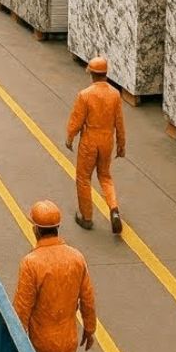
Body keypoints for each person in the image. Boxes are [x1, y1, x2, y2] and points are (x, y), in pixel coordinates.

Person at [12, 200, 97, 352]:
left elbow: (22, 308)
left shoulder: (31, 263)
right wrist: (89, 329)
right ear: (58, 227)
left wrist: (16, 341)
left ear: (35, 229)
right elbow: (88, 299)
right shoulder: (76, 258)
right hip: (68, 339)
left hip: (40, 340)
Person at [65, 56, 126, 234]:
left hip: (89, 141)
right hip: (107, 141)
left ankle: (87, 217)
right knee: (105, 176)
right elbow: (119, 122)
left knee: (84, 178)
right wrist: (121, 145)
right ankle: (114, 209)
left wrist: (70, 137)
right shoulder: (115, 94)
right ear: (106, 73)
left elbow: (77, 120)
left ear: (91, 73)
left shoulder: (85, 95)